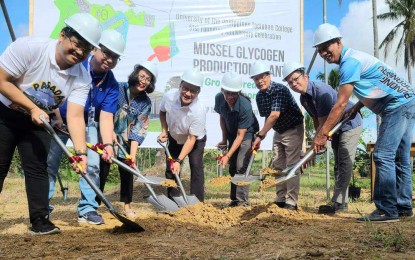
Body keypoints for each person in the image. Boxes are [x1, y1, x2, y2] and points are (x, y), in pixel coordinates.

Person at [0, 13, 101, 235]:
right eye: (77, 44)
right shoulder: (29, 48)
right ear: (62, 35)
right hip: (5, 113)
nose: (80, 52)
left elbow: (74, 116)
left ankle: (40, 221)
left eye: (86, 49)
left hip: (39, 121)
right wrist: (32, 107)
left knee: (38, 169)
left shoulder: (82, 78)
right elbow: (2, 81)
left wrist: (81, 153)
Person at [313, 23, 415, 222]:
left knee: (382, 155)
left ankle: (386, 209)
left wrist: (321, 133)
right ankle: (403, 206)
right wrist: (357, 107)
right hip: (408, 100)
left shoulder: (349, 63)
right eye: (320, 50)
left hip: (397, 105)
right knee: (400, 157)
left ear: (338, 42)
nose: (325, 53)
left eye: (327, 47)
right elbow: (377, 84)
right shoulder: (356, 58)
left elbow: (340, 102)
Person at [47, 29, 125, 225]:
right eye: (106, 53)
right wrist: (55, 115)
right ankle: (42, 207)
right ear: (95, 49)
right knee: (49, 164)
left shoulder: (112, 85)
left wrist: (107, 144)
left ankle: (87, 209)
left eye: (115, 57)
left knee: (92, 165)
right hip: (60, 120)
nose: (109, 59)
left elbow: (106, 117)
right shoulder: (75, 64)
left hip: (87, 124)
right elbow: (53, 88)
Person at [282, 61, 362, 214]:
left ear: (305, 76)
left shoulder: (320, 90)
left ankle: (338, 203)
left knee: (344, 162)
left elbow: (324, 123)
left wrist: (314, 146)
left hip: (350, 123)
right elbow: (316, 120)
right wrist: (316, 143)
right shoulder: (303, 98)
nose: (293, 83)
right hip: (334, 128)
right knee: (338, 164)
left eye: (295, 79)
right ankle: (341, 202)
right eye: (289, 82)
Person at [99, 61, 157, 218]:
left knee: (127, 171)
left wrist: (132, 156)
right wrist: (109, 133)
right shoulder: (117, 88)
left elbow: (139, 129)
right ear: (135, 75)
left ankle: (127, 205)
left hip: (125, 142)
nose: (143, 81)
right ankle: (94, 205)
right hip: (105, 136)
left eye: (148, 79)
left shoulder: (145, 102)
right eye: (142, 76)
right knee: (102, 169)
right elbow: (105, 111)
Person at [250, 61, 304, 211]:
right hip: (278, 130)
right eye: (256, 78)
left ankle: (292, 201)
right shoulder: (259, 97)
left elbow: (274, 115)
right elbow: (268, 117)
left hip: (293, 129)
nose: (259, 81)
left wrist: (260, 135)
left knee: (292, 165)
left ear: (269, 76)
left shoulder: (279, 89)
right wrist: (261, 138)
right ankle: (280, 198)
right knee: (278, 164)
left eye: (262, 77)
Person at [158, 68, 207, 202]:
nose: (188, 93)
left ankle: (197, 202)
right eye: (185, 88)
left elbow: (191, 139)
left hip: (194, 140)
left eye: (193, 91)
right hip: (174, 137)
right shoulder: (169, 96)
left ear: (198, 92)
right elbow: (162, 113)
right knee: (171, 167)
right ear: (180, 86)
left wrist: (179, 160)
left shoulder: (199, 110)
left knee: (195, 165)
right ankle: (173, 199)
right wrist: (164, 130)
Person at [215, 72, 259, 207]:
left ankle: (243, 202)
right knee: (233, 167)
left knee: (241, 165)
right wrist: (224, 139)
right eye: (227, 93)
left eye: (233, 93)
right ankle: (234, 200)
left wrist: (227, 155)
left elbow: (241, 135)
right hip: (231, 133)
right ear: (222, 90)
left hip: (246, 135)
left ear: (239, 92)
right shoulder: (219, 98)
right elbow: (222, 117)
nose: (229, 97)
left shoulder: (245, 105)